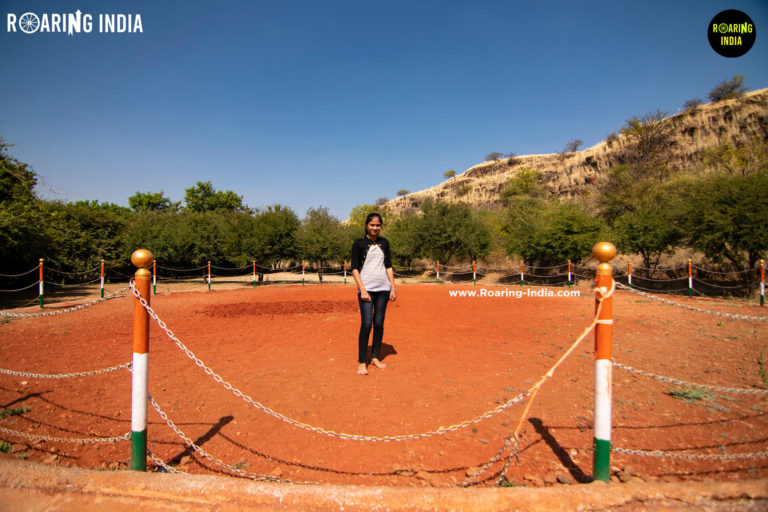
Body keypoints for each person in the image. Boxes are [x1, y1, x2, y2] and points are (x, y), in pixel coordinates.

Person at [350, 213, 397, 375]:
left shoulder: (384, 243)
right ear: (366, 225)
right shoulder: (359, 244)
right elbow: (354, 268)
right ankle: (362, 362)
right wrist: (362, 289)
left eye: (378, 225)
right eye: (372, 225)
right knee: (367, 324)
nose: (375, 228)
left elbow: (388, 266)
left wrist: (393, 287)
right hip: (367, 290)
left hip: (383, 289)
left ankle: (375, 357)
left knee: (379, 323)